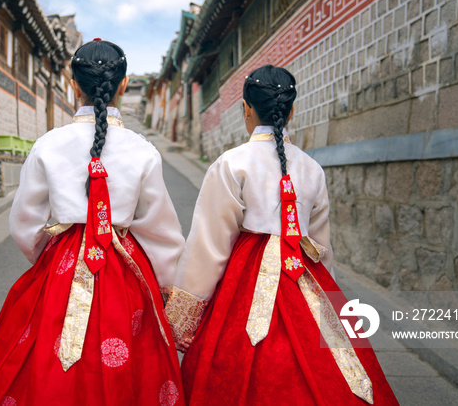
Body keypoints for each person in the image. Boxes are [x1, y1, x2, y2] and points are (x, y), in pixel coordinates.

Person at [0, 40, 185, 406]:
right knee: (130, 359)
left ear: (72, 83)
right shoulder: (143, 150)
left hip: (61, 265)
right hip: (124, 267)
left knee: (40, 352)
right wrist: (164, 283)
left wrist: (46, 260)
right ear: (124, 85)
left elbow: (25, 223)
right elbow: (161, 231)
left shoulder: (48, 145)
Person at [165, 65, 398, 405]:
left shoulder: (232, 164)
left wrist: (184, 314)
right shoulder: (311, 168)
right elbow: (321, 245)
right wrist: (327, 298)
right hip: (303, 274)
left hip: (244, 279)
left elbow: (210, 245)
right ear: (291, 110)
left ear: (246, 108)